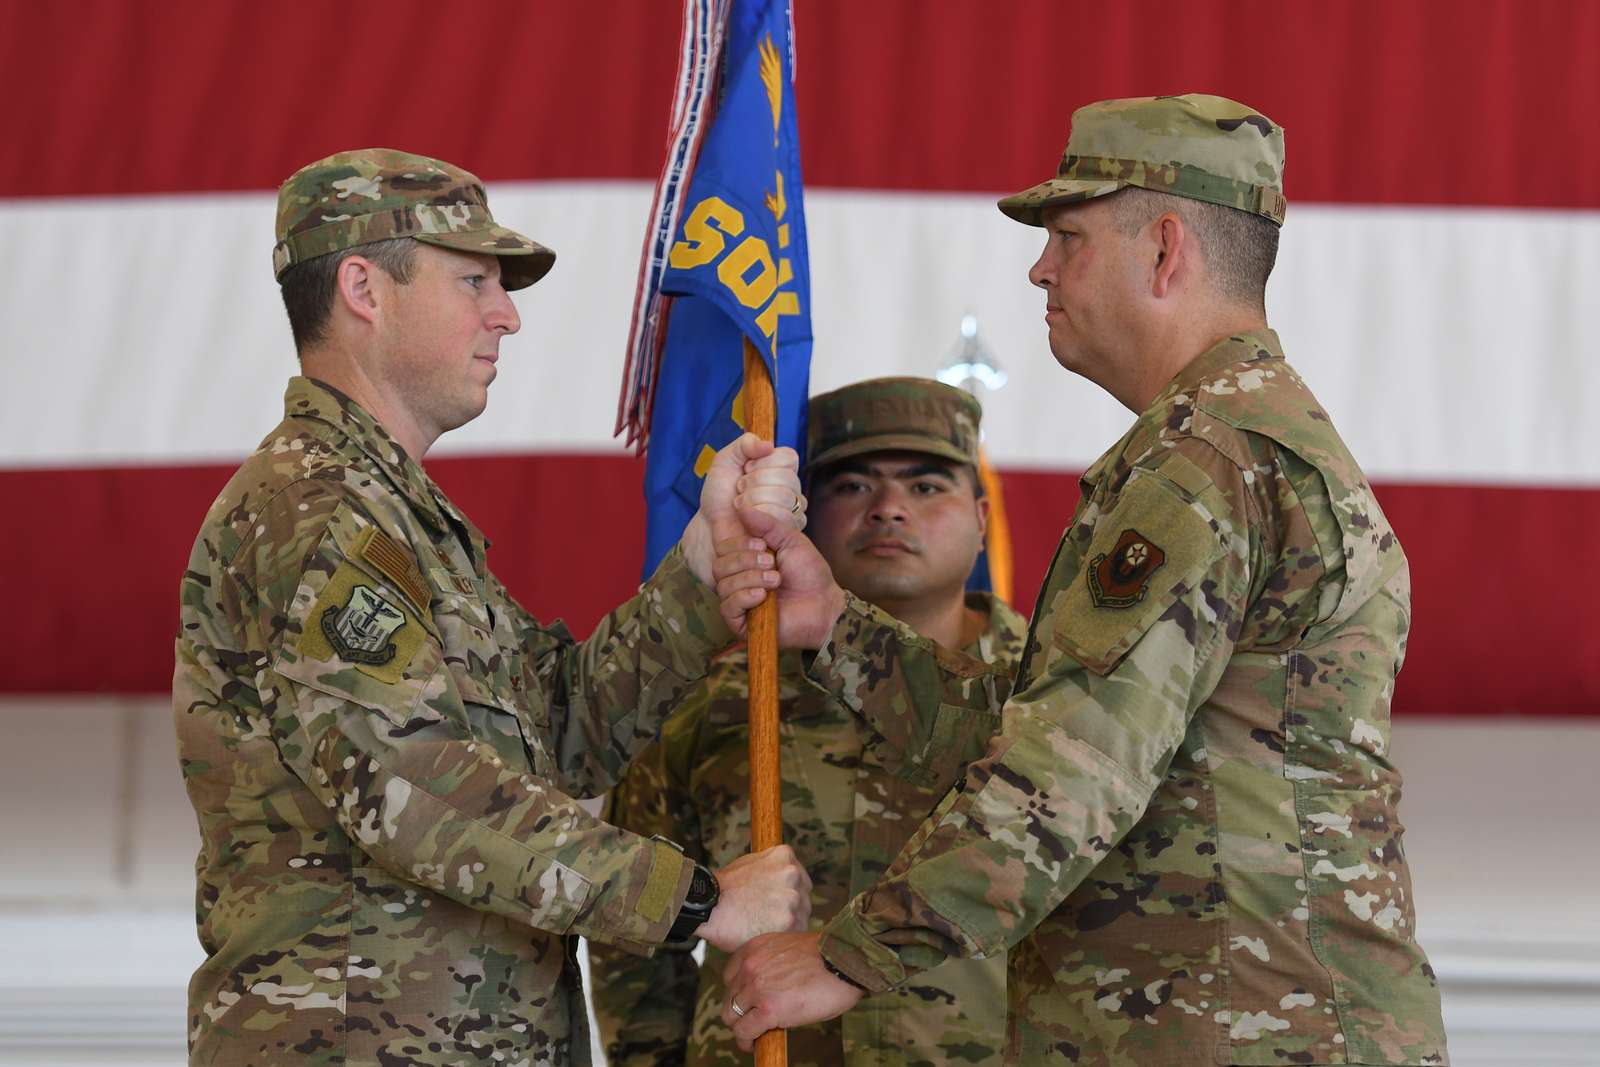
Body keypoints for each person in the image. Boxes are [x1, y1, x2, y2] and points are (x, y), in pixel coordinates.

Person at [712, 96, 1450, 1065]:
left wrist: (847, 956)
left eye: (1068, 236)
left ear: (1165, 252)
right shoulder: (1226, 445)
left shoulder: (1207, 464)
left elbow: (1070, 779)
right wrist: (838, 628)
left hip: (1246, 1032)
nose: (1039, 267)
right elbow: (1058, 744)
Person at [171, 148, 813, 1067]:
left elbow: (559, 731)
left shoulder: (395, 514)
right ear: (364, 286)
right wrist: (698, 899)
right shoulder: (313, 510)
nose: (505, 314)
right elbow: (420, 784)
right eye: (473, 279)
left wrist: (703, 570)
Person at [592, 378, 1027, 1066]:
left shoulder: (1050, 703)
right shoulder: (715, 700)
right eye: (852, 486)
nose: (888, 510)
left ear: (981, 517)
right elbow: (639, 942)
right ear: (804, 516)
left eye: (925, 486)